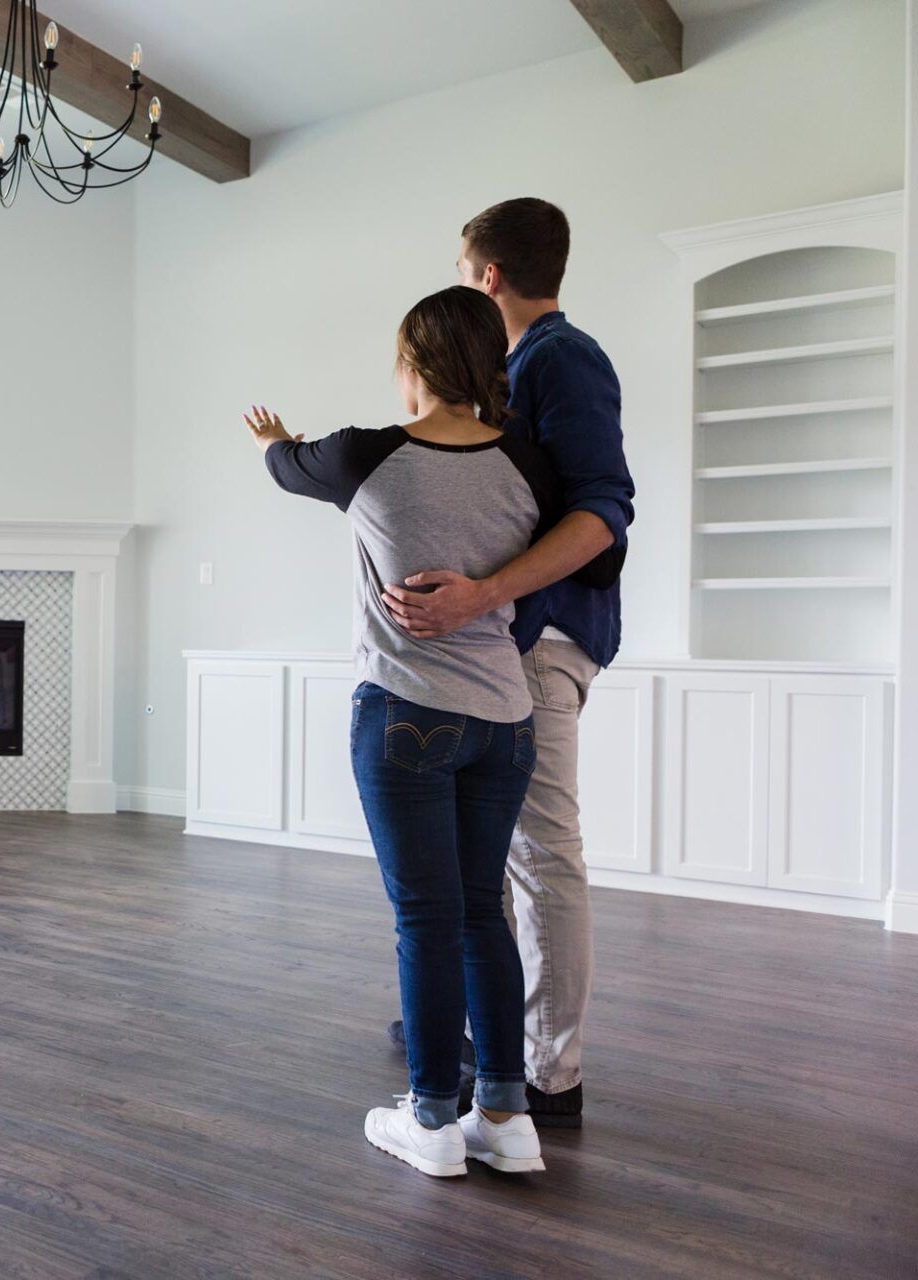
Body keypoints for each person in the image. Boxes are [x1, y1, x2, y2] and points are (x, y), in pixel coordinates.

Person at [243, 285, 623, 1177]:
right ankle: (506, 1117)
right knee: (484, 913)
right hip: (505, 721)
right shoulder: (532, 466)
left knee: (425, 918)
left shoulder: (363, 456)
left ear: (411, 365)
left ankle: (432, 1123)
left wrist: (270, 438)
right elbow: (595, 528)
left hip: (406, 714)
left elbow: (285, 464)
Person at [380, 199, 635, 1129]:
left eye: (460, 270)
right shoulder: (512, 373)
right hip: (500, 648)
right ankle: (469, 1038)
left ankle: (547, 1075)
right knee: (477, 864)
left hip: (535, 645)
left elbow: (604, 512)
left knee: (538, 855)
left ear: (485, 276)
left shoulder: (559, 360)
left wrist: (484, 597)